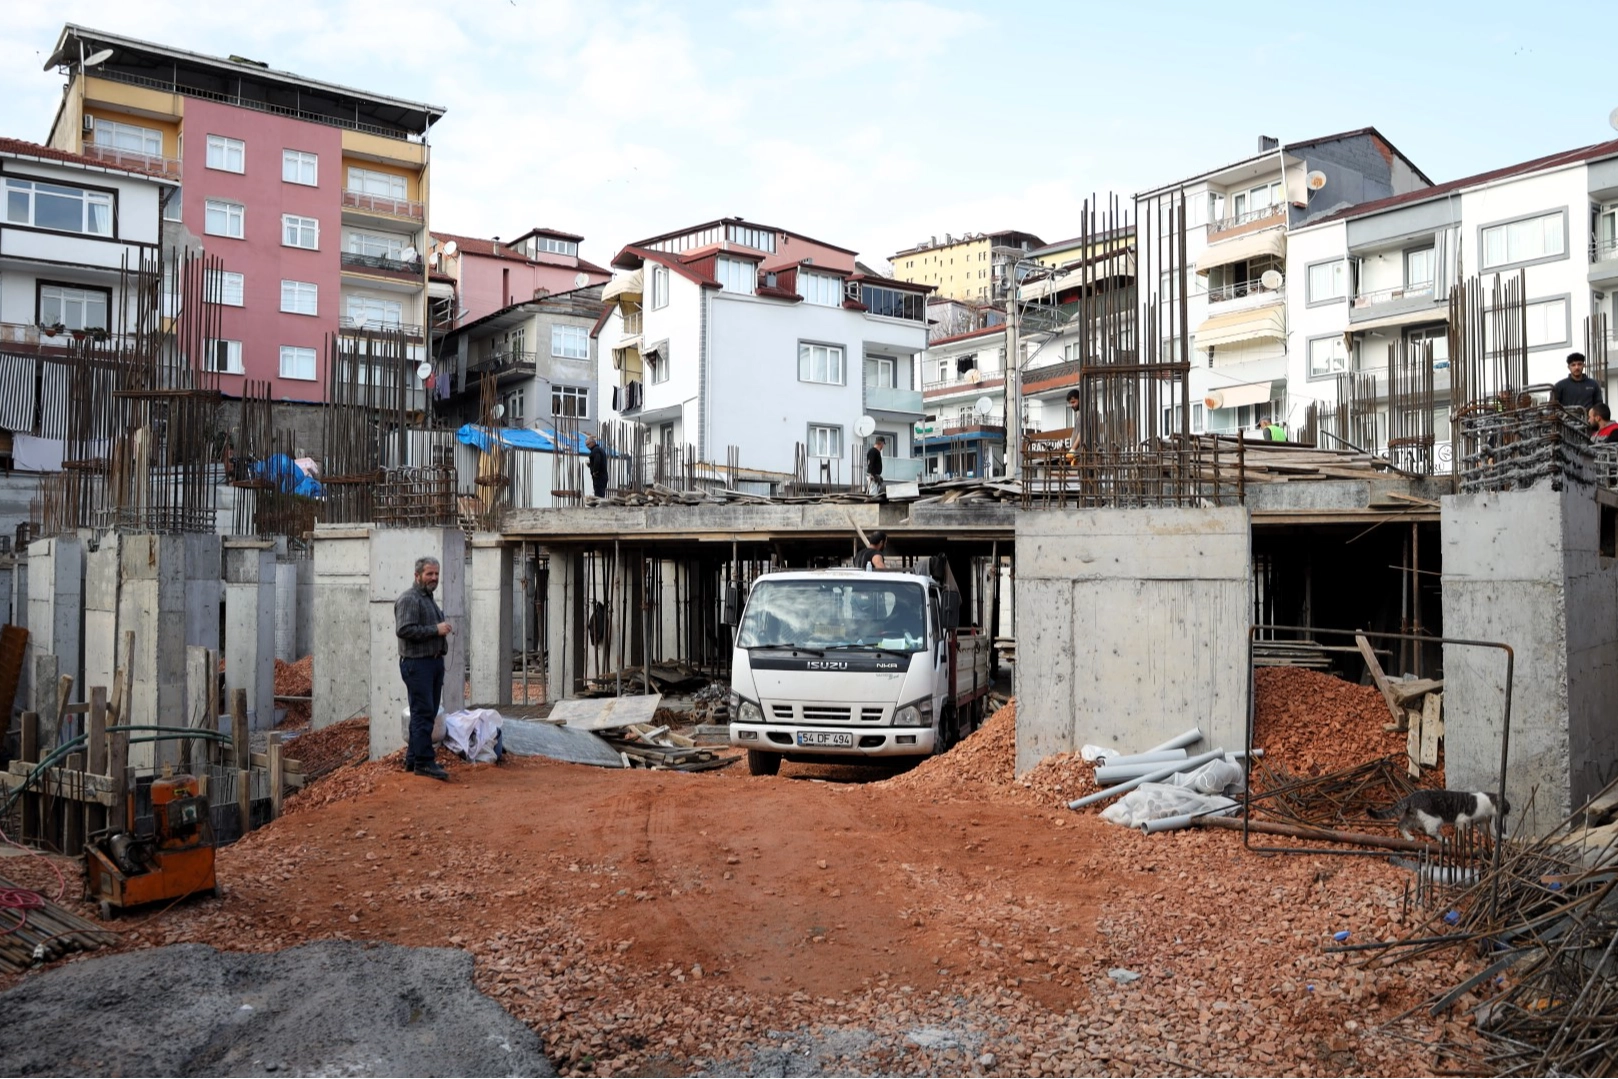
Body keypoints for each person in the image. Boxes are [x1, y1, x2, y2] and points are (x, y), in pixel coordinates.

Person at [396, 556, 452, 781]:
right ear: (417, 575)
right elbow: (404, 629)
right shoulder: (410, 599)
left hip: (431, 663)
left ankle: (413, 759)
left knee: (425, 712)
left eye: (436, 574)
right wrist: (435, 630)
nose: (434, 578)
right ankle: (424, 762)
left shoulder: (427, 598)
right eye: (429, 573)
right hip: (418, 664)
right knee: (423, 713)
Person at [585, 433, 608, 499]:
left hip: (599, 476)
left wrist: (595, 471)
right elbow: (600, 462)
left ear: (593, 443)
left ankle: (600, 505)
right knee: (601, 493)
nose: (587, 447)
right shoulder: (601, 450)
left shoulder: (595, 450)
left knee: (598, 495)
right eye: (586, 445)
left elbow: (597, 461)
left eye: (588, 444)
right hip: (603, 476)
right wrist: (591, 465)